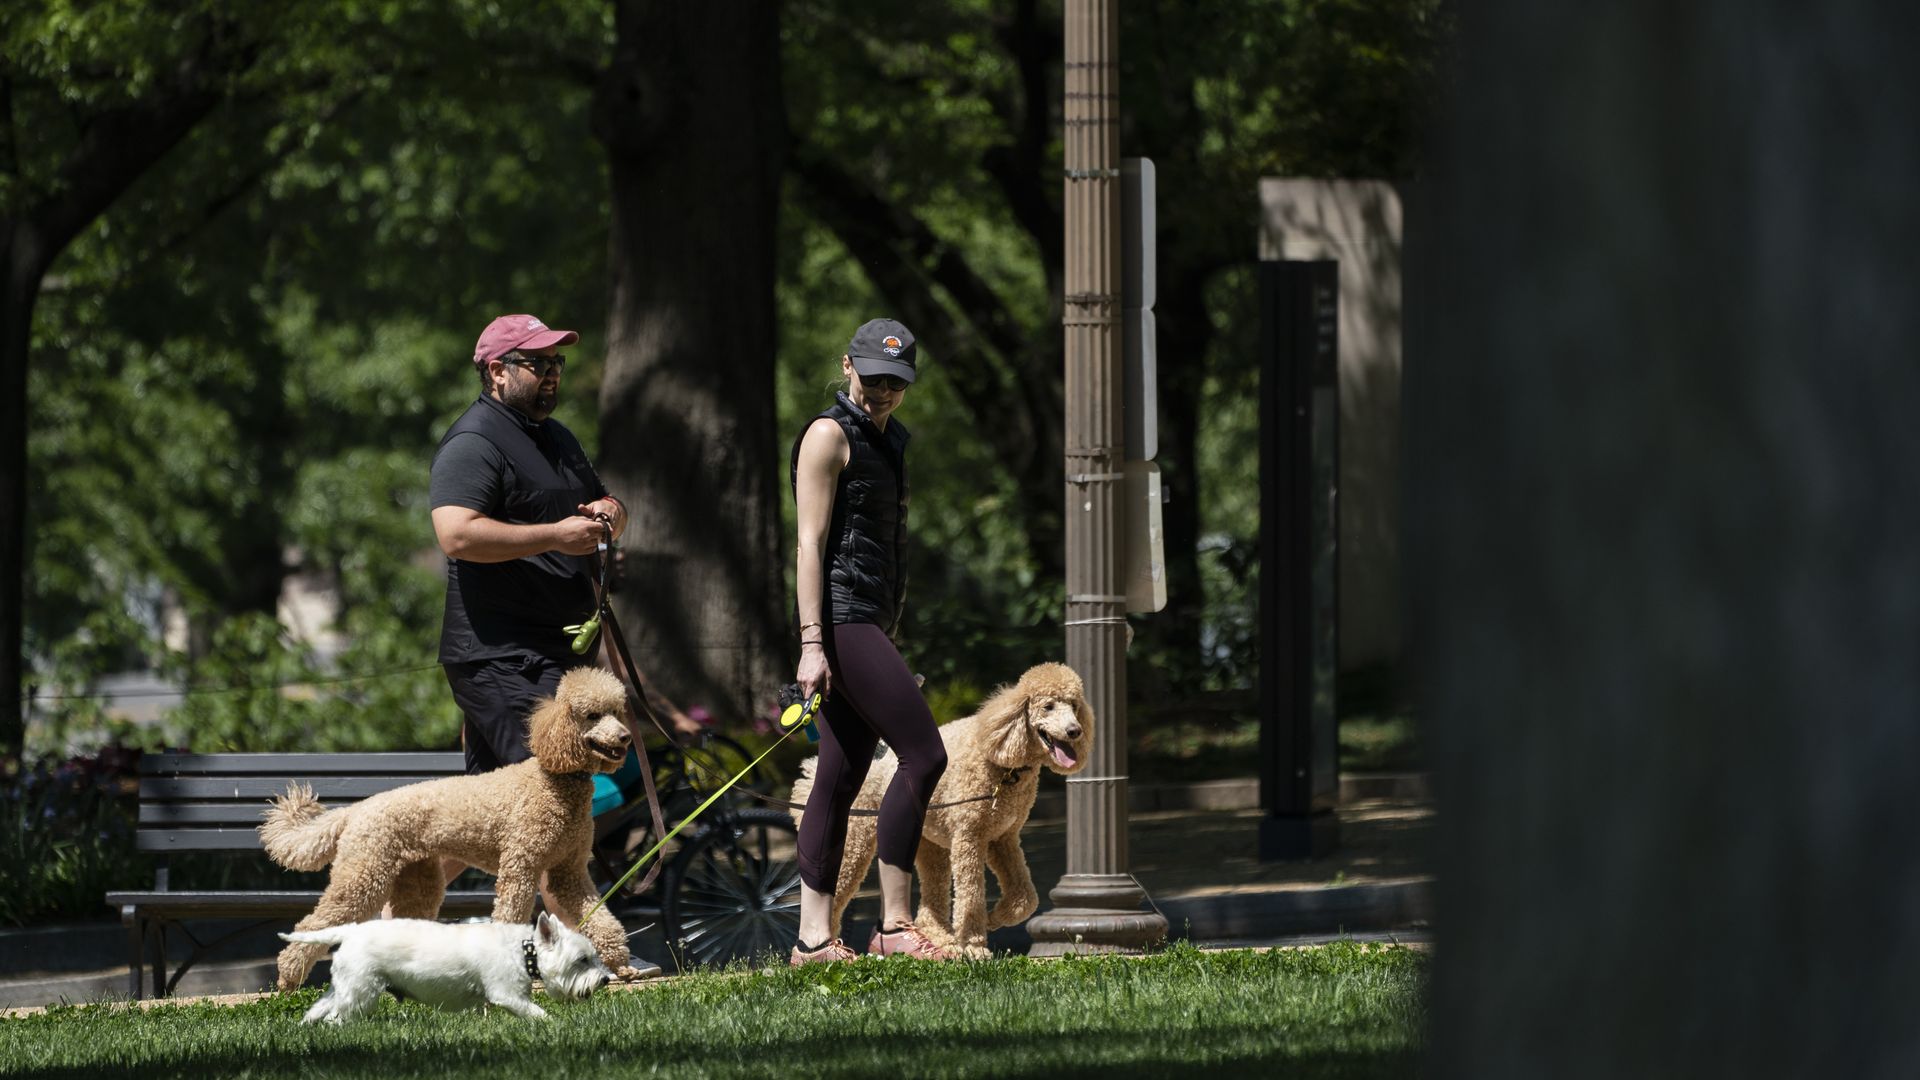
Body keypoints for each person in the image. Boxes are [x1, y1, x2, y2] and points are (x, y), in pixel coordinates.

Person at [430, 313, 685, 777]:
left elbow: (606, 502)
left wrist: (612, 512)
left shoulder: (558, 437)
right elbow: (457, 534)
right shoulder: (473, 441)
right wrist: (554, 536)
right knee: (552, 787)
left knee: (495, 804)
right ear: (497, 371)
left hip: (556, 653)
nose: (551, 373)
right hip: (503, 656)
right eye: (537, 363)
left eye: (556, 363)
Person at [788, 318, 951, 964]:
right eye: (874, 378)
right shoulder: (829, 435)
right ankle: (894, 925)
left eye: (896, 382)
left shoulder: (887, 440)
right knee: (925, 755)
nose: (883, 391)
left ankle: (812, 940)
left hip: (867, 622)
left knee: (842, 771)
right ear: (847, 365)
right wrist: (811, 644)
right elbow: (808, 544)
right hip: (840, 621)